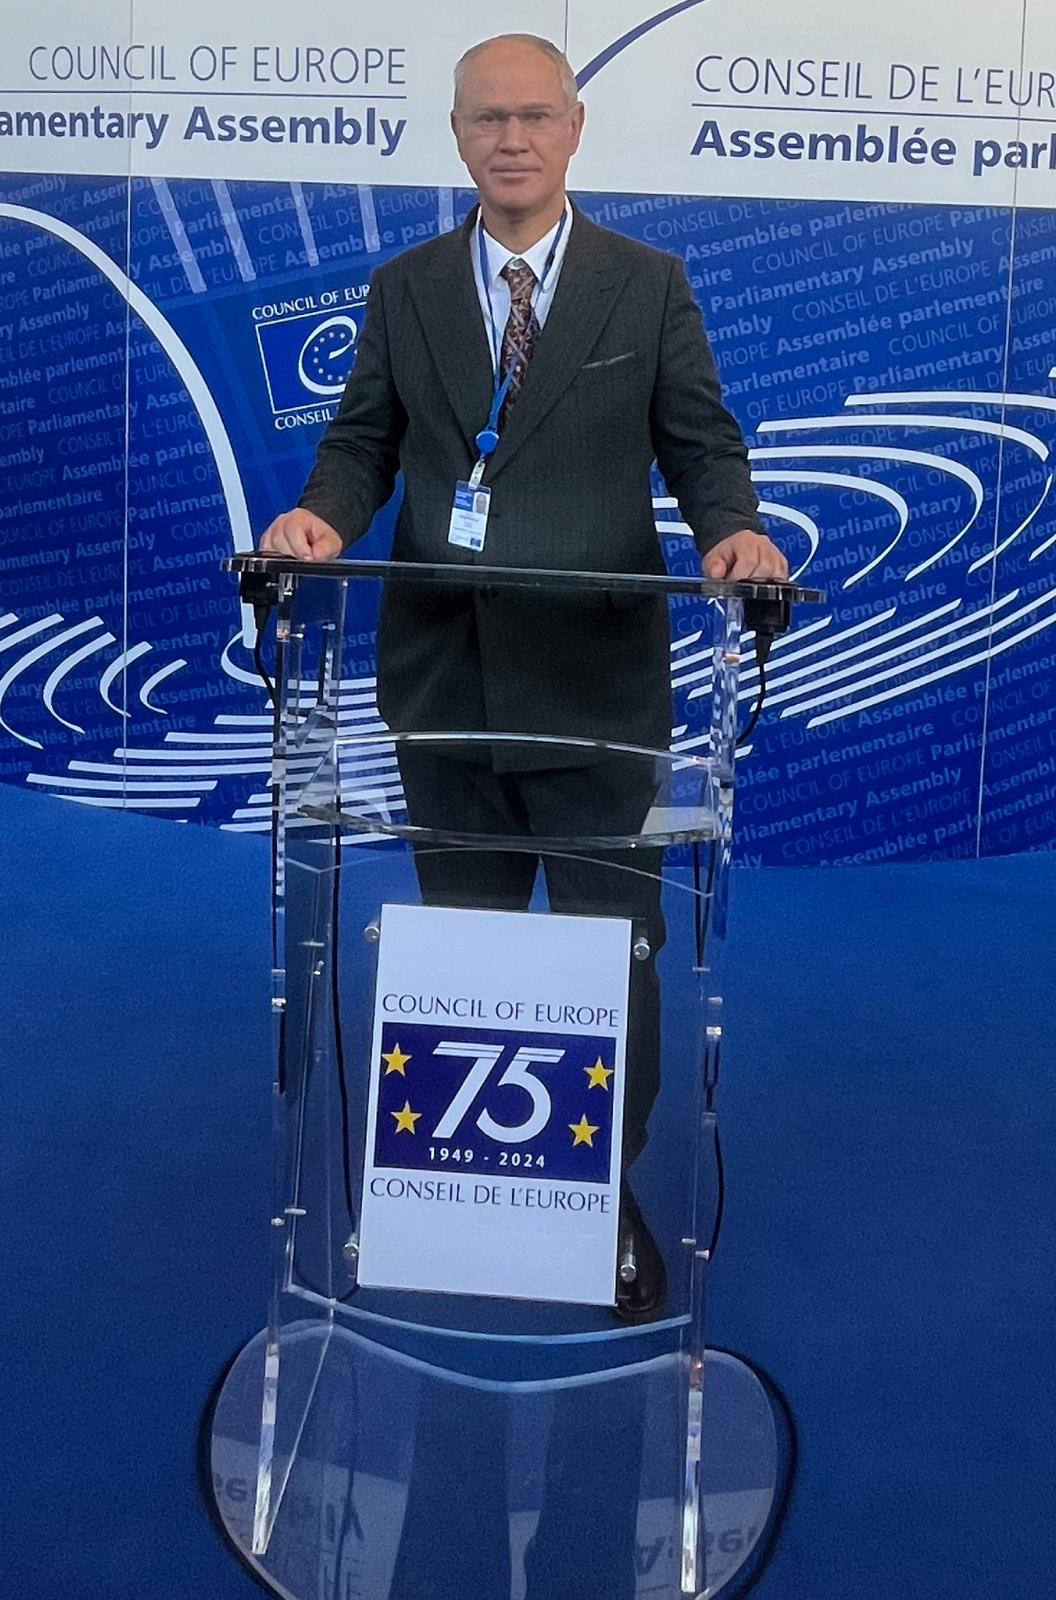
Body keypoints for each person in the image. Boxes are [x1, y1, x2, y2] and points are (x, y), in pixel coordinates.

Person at [261, 33, 788, 1319]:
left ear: (574, 129)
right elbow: (362, 442)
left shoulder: (646, 285)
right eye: (488, 118)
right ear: (456, 135)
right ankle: (470, 1196)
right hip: (445, 686)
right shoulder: (403, 288)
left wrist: (735, 528)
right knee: (471, 956)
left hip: (597, 689)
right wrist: (322, 516)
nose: (512, 138)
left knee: (613, 964)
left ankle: (605, 1197)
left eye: (535, 116)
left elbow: (701, 444)